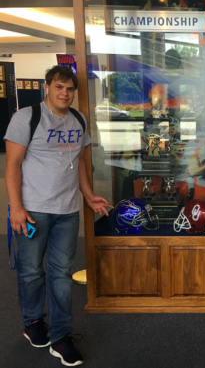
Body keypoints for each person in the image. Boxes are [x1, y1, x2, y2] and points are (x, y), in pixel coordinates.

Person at [4, 65, 113, 366]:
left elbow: (79, 160)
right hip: (33, 209)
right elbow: (12, 165)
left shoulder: (79, 119)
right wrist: (16, 207)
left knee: (61, 274)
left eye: (70, 89)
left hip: (67, 210)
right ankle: (33, 322)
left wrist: (88, 194)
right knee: (30, 271)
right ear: (47, 88)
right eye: (59, 87)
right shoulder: (26, 118)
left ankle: (62, 336)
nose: (65, 93)